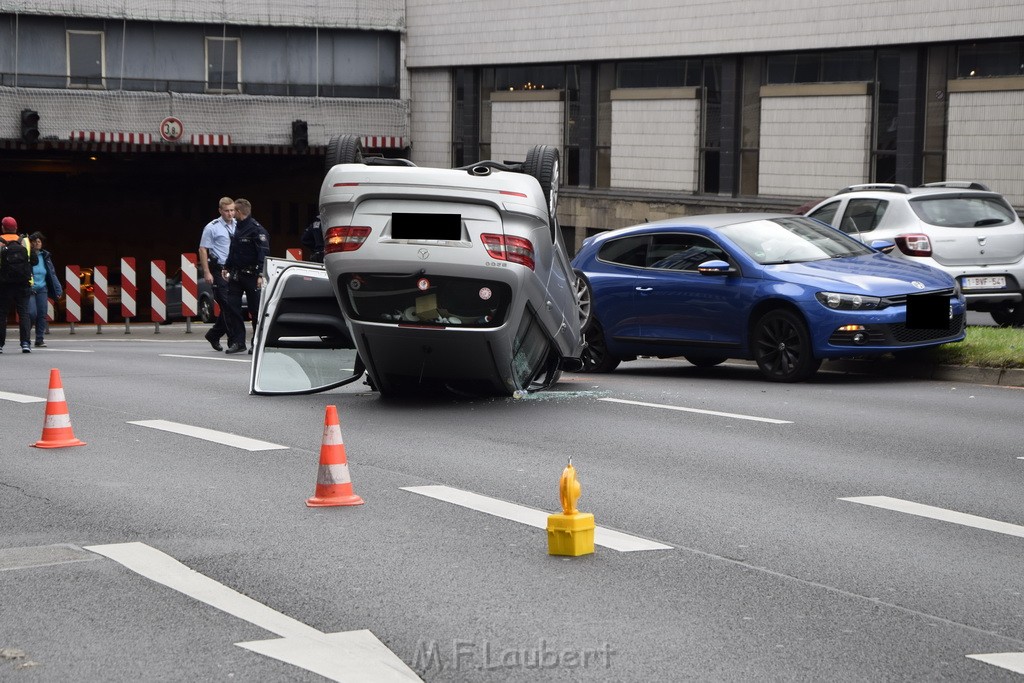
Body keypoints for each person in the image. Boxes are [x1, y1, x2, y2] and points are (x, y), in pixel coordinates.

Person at [222, 198, 269, 354]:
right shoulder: (238, 228)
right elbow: (234, 250)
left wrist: (261, 274)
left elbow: (263, 253)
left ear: (239, 212)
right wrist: (227, 266)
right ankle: (238, 342)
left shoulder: (257, 230)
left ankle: (256, 342)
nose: (231, 213)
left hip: (252, 275)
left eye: (233, 210)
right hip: (236, 275)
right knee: (232, 307)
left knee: (255, 310)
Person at [198, 197, 236, 351]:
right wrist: (207, 272)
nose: (230, 214)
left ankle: (214, 334)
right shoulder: (212, 227)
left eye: (232, 210)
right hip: (219, 270)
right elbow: (203, 249)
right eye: (227, 211)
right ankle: (234, 340)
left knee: (232, 305)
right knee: (226, 304)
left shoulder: (237, 225)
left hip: (233, 271)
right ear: (220, 211)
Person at [0, 216, 38, 353]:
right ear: (16, 228)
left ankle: (0, 345)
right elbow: (34, 261)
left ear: (3, 228)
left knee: (2, 314)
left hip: (4, 284)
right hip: (23, 283)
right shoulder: (25, 241)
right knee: (24, 313)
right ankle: (25, 343)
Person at [27, 231, 62, 347]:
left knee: (42, 314)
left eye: (39, 241)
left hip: (42, 288)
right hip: (29, 288)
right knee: (32, 313)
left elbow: (52, 273)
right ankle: (26, 337)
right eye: (35, 241)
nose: (37, 243)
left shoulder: (45, 256)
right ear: (30, 244)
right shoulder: (26, 256)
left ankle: (39, 339)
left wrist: (58, 288)